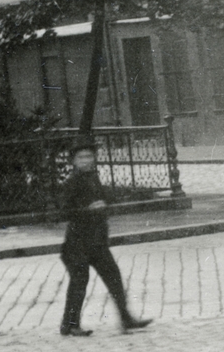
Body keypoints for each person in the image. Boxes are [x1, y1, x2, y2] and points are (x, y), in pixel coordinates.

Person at [59, 138, 153, 337]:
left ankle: (126, 319)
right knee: (79, 282)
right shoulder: (71, 182)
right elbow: (64, 211)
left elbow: (104, 198)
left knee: (114, 278)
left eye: (89, 156)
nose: (86, 160)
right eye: (81, 157)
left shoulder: (93, 178)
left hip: (97, 242)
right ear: (73, 161)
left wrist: (107, 201)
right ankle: (70, 325)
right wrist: (88, 209)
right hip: (77, 243)